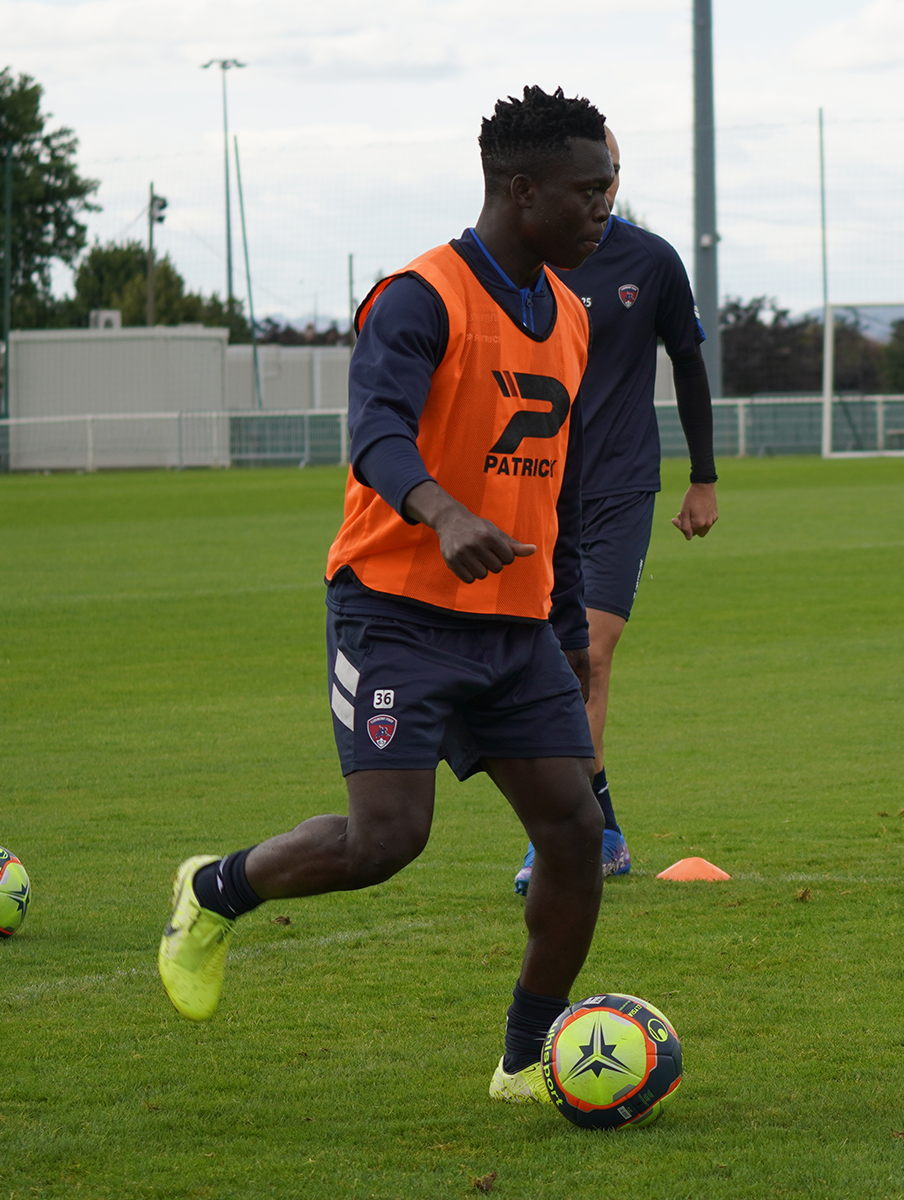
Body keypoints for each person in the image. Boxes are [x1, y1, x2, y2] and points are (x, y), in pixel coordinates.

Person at [158, 85, 615, 1105]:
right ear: (519, 187)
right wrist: (444, 514)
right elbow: (374, 435)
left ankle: (522, 1064)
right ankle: (213, 888)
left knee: (576, 833)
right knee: (386, 842)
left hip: (514, 626)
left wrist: (569, 625)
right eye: (589, 191)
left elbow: (562, 489)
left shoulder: (574, 317)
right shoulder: (420, 295)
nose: (604, 211)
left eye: (610, 189)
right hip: (396, 612)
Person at [512, 125, 719, 895]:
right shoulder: (523, 266)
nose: (604, 195)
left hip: (621, 488)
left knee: (588, 657)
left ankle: (572, 839)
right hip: (533, 490)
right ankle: (600, 825)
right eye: (591, 182)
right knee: (536, 664)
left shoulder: (651, 260)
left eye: (613, 179)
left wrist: (704, 478)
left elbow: (688, 363)